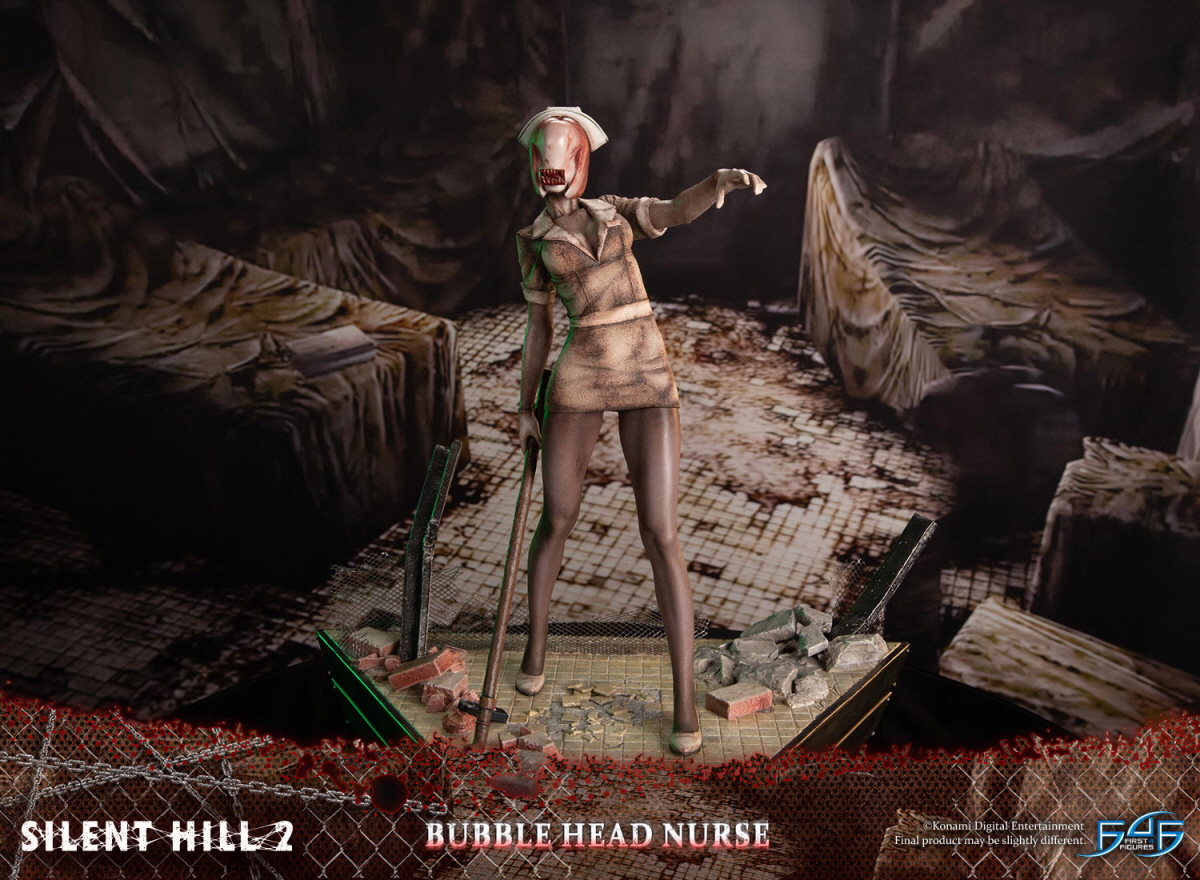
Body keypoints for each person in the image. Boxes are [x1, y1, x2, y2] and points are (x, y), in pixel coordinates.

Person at [513, 106, 765, 756]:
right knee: (558, 517)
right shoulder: (534, 239)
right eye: (545, 161)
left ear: (582, 161)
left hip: (647, 374)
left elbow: (675, 211)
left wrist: (716, 182)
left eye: (565, 158)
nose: (554, 172)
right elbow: (540, 328)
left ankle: (684, 700)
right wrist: (525, 406)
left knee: (661, 531)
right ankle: (535, 647)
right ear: (537, 167)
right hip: (579, 376)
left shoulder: (616, 213)